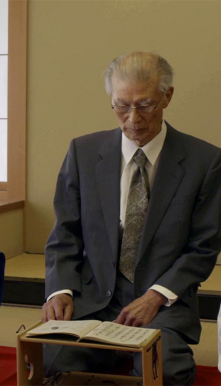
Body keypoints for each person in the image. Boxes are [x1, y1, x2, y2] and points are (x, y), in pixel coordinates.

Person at [42, 51, 221, 385]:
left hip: (161, 302)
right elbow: (64, 234)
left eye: (145, 104)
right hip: (94, 298)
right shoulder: (83, 152)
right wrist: (60, 290)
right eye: (121, 105)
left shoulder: (204, 161)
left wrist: (154, 297)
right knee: (55, 362)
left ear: (167, 96)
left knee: (165, 370)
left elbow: (203, 248)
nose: (132, 118)